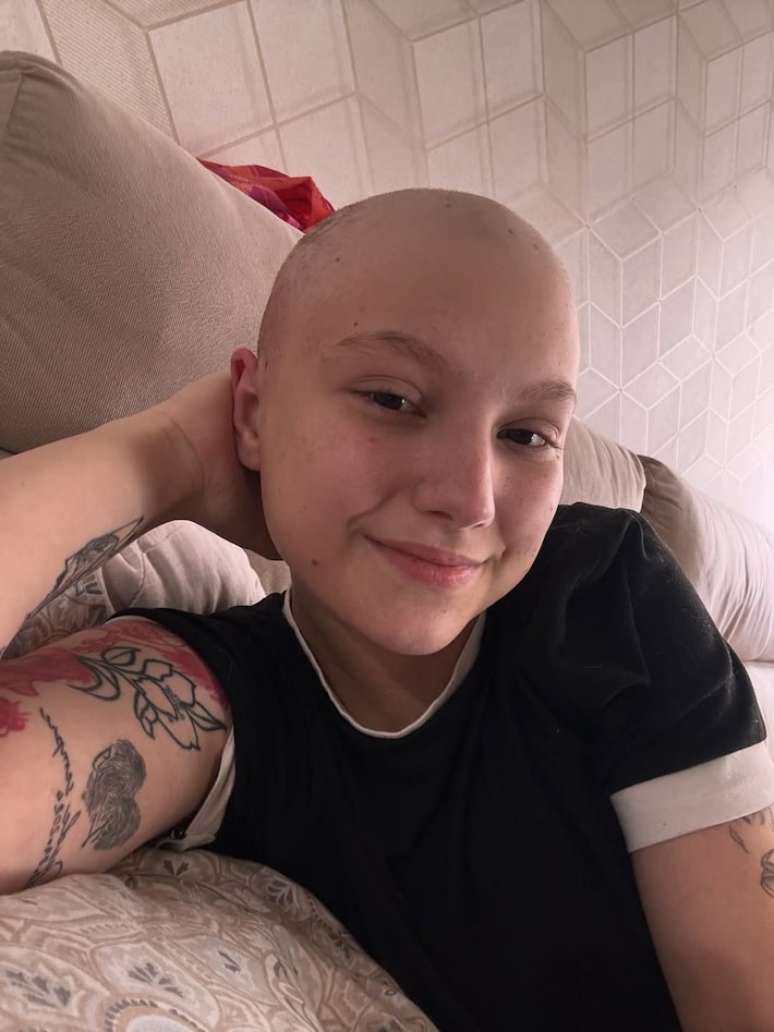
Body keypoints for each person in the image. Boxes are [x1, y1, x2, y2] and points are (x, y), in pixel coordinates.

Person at [1, 187, 774, 1031]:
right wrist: (162, 456)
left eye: (526, 434)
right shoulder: (213, 693)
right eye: (393, 400)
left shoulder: (606, 592)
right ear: (253, 411)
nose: (471, 500)